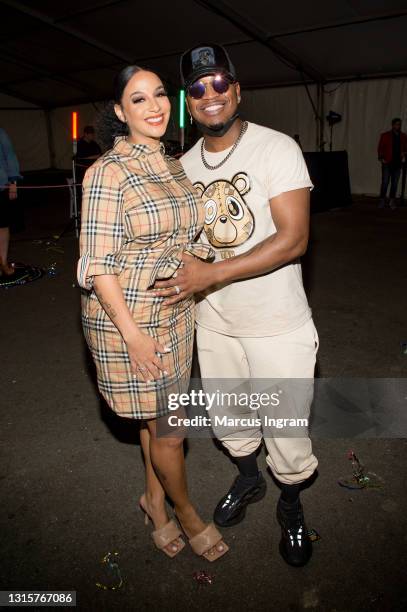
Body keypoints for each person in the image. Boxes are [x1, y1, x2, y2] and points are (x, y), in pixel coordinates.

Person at [153, 43, 319, 567]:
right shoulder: (180, 167)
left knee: (286, 430)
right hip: (215, 322)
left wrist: (209, 273)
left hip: (276, 324)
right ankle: (249, 481)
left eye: (220, 83)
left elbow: (293, 240)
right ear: (188, 101)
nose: (210, 95)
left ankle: (290, 504)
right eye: (198, 88)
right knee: (231, 421)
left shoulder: (275, 149)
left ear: (237, 91)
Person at [77, 66, 228, 562]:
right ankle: (187, 513)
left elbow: (189, 231)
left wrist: (200, 261)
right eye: (138, 100)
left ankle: (155, 503)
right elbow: (97, 265)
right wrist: (133, 335)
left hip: (174, 309)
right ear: (121, 113)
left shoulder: (174, 164)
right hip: (128, 316)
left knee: (153, 421)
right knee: (170, 426)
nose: (155, 106)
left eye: (160, 95)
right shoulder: (107, 172)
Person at [0, 128, 21, 276]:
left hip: (0, 185)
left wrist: (13, 182)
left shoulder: (0, 133)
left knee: (2, 225)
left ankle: (3, 263)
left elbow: (10, 156)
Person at [377, 118, 407, 209]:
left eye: (399, 124)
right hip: (387, 162)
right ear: (393, 125)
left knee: (394, 183)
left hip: (398, 163)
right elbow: (380, 147)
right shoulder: (385, 135)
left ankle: (392, 201)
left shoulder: (403, 136)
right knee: (385, 182)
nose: (398, 126)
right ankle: (382, 200)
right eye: (397, 124)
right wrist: (382, 158)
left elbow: (406, 149)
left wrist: (404, 153)